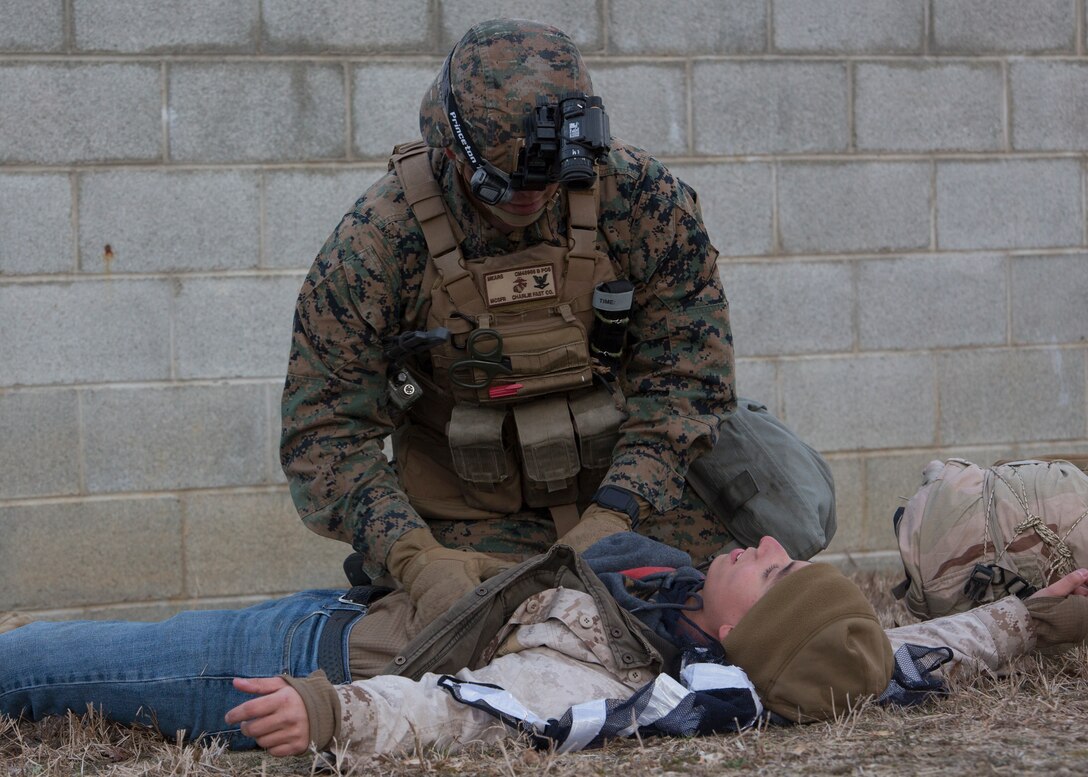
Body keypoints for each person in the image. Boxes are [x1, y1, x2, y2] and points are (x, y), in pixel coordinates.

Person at [281, 18, 741, 626]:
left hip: (632, 501)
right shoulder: (378, 242)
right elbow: (323, 434)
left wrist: (613, 516)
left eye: (548, 183)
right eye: (502, 187)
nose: (529, 201)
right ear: (450, 148)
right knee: (471, 638)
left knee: (728, 618)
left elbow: (688, 379)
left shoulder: (639, 201)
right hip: (470, 527)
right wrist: (417, 559)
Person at [3, 534, 1086, 764]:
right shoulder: (761, 650)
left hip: (314, 655)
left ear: (739, 627)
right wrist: (1041, 617)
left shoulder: (603, 677)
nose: (762, 543)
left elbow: (475, 712)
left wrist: (331, 713)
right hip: (376, 606)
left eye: (766, 567)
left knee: (53, 669)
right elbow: (910, 648)